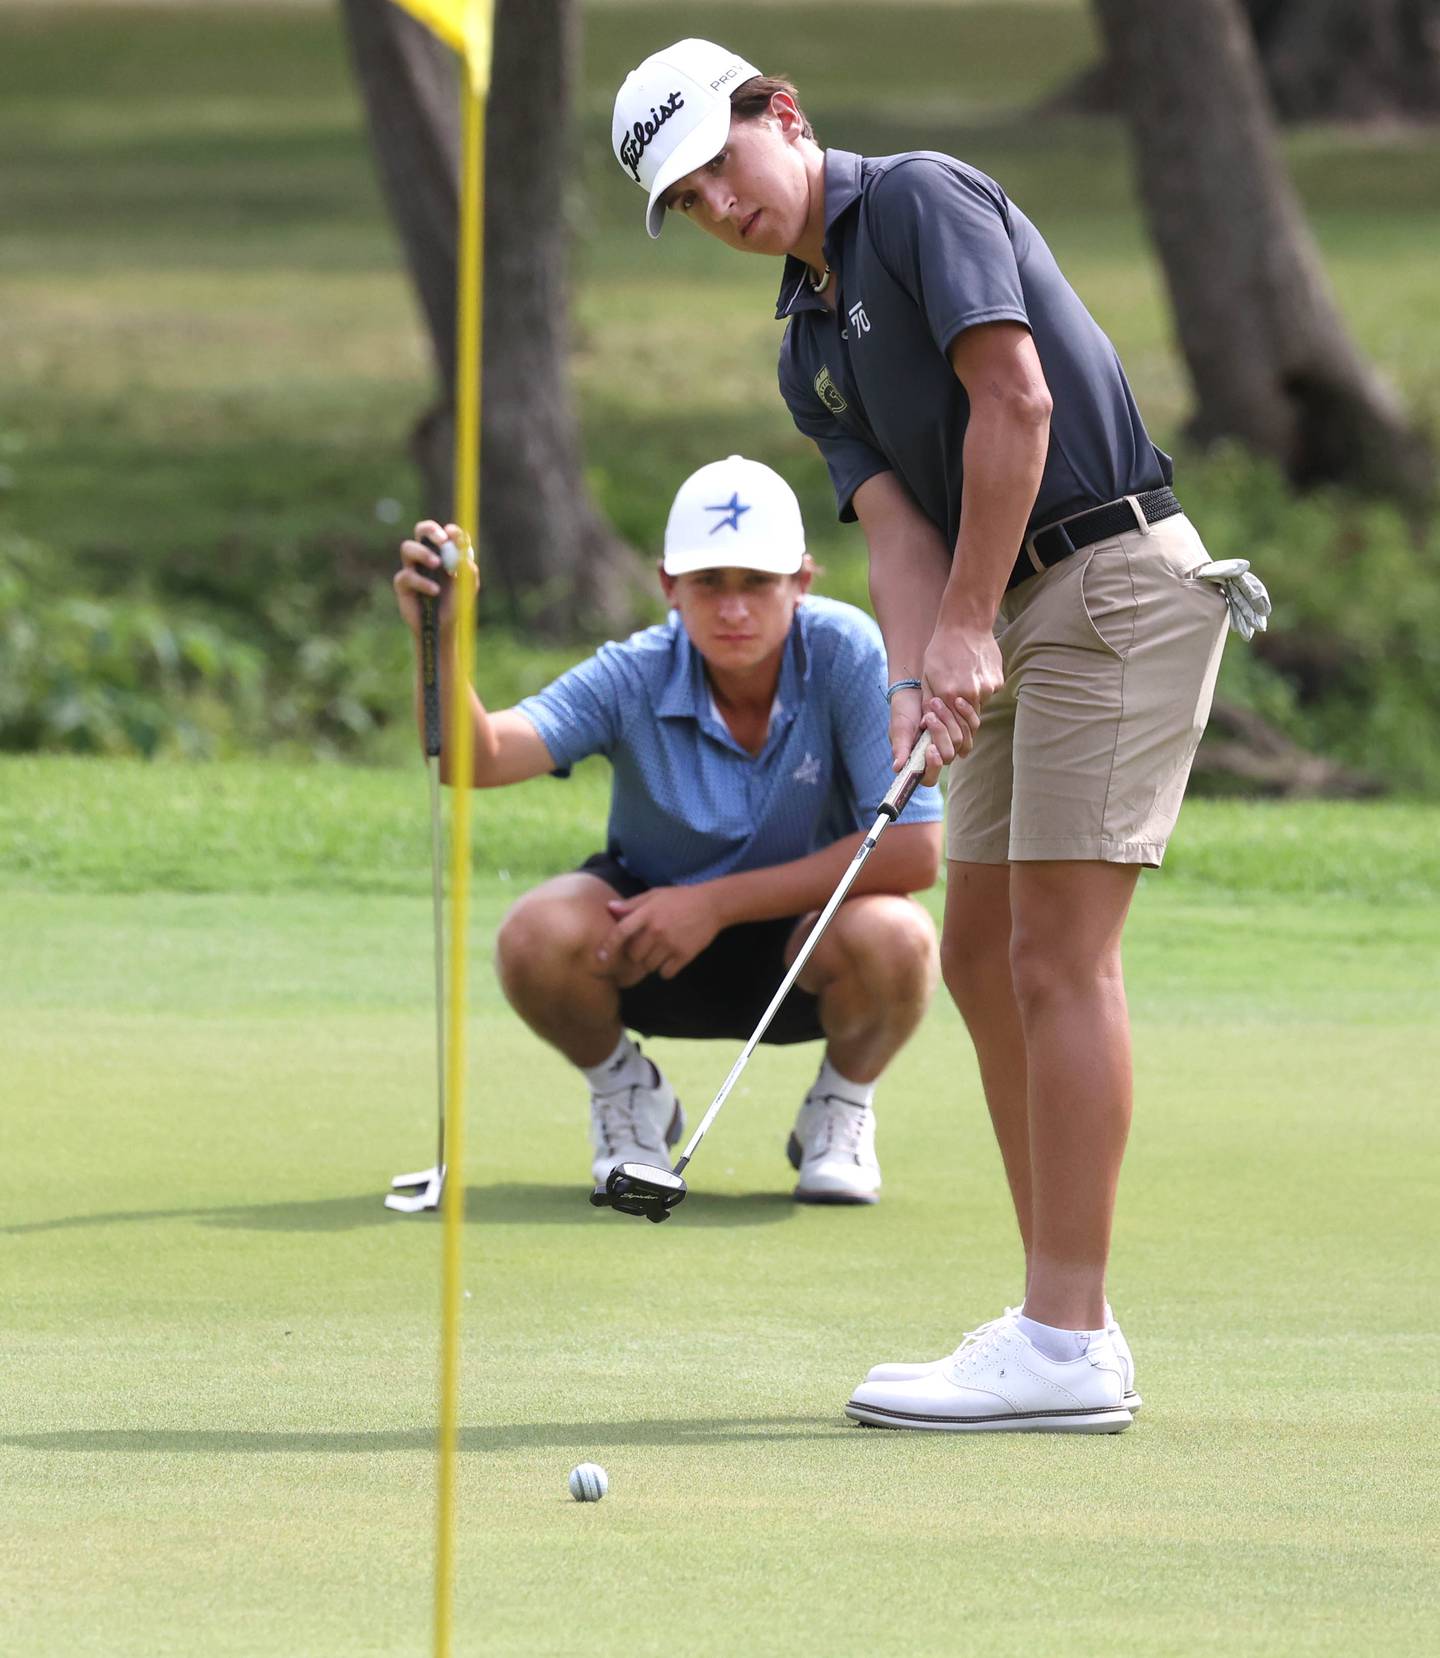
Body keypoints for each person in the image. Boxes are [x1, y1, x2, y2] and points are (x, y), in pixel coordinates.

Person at [612, 39, 1270, 1430]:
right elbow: (899, 525)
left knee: (1054, 953)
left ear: (781, 112)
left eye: (723, 167)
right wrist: (918, 680)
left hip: (1110, 584)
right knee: (977, 951)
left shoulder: (917, 199)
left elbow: (1013, 402)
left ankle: (1064, 1337)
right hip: (1004, 605)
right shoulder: (806, 347)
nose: (723, 209)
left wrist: (968, 628)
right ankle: (1061, 1315)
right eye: (691, 203)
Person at [392, 454, 942, 1205]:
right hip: (653, 942)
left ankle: (839, 1107)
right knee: (534, 935)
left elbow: (913, 848)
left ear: (803, 584)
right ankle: (626, 1093)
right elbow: (472, 758)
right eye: (709, 584)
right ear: (668, 588)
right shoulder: (636, 671)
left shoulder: (847, 650)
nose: (734, 609)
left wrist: (713, 903)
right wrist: (444, 639)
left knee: (900, 938)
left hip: (808, 944)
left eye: (758, 583)